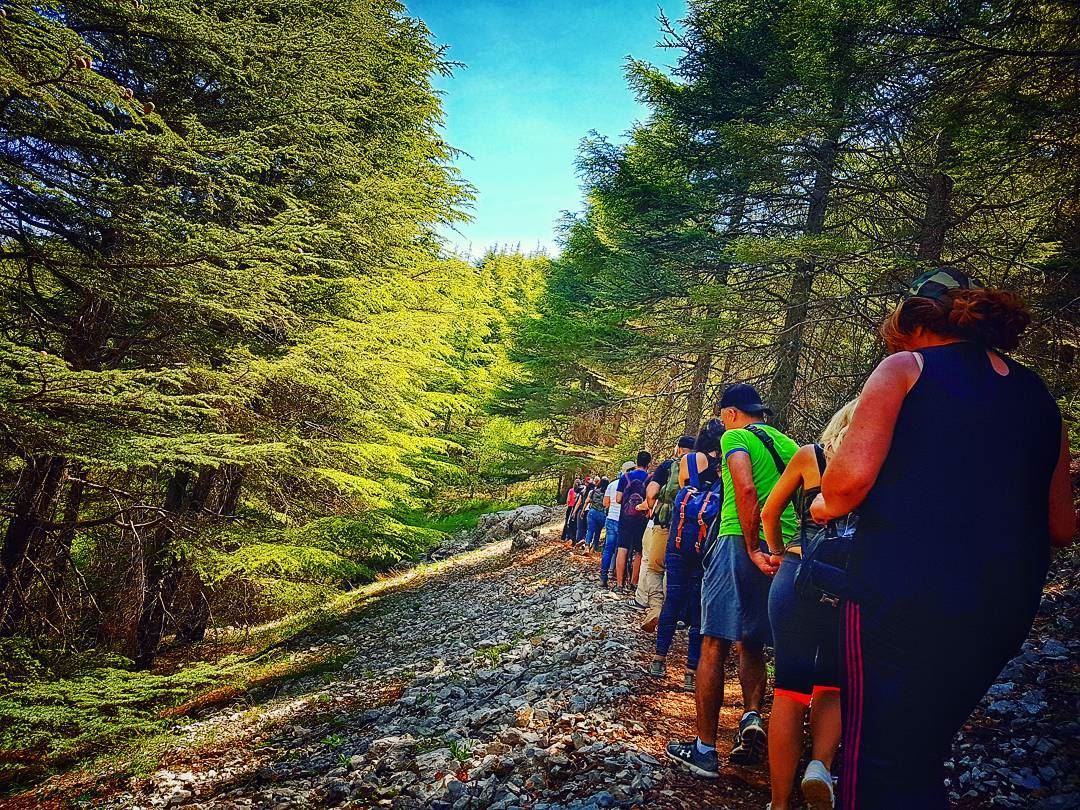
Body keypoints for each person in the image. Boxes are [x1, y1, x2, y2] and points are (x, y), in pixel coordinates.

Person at [809, 268, 1076, 809]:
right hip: (1003, 604)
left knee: (876, 754)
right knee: (924, 748)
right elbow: (1062, 526)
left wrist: (820, 503)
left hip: (901, 593)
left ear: (914, 322)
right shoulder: (1039, 396)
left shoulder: (905, 368)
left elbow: (846, 484)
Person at [667, 383, 799, 777]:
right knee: (753, 640)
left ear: (729, 414)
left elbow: (743, 487)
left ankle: (705, 749)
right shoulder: (790, 446)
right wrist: (775, 545)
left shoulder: (735, 437)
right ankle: (751, 716)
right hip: (785, 548)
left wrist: (751, 543)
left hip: (738, 541)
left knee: (714, 640)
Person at [760, 399, 859, 810]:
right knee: (832, 683)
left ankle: (779, 803)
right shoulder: (881, 466)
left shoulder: (810, 457)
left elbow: (769, 512)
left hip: (798, 575)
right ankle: (819, 764)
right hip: (849, 582)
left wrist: (779, 550)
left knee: (788, 688)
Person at [649, 420, 724, 691]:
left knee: (673, 599)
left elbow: (681, 490)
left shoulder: (689, 460)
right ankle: (692, 671)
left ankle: (659, 659)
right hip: (707, 546)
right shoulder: (725, 466)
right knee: (698, 607)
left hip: (679, 541)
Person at [635, 435, 697, 631]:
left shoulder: (668, 465)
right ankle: (680, 615)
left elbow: (652, 492)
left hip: (665, 523)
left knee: (655, 566)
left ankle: (656, 608)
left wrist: (654, 510)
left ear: (678, 449)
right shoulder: (703, 465)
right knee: (682, 570)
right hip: (692, 526)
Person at [614, 451, 652, 591]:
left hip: (625, 518)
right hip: (641, 519)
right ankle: (634, 583)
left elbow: (618, 499)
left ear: (636, 462)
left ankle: (619, 584)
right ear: (649, 464)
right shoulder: (650, 478)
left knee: (622, 549)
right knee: (639, 551)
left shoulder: (625, 477)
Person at [600, 462, 634, 587]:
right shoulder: (631, 485)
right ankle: (621, 577)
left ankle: (603, 576)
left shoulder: (612, 484)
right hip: (625, 520)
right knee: (623, 549)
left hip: (611, 518)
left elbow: (605, 503)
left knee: (608, 548)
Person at [582, 477, 609, 553]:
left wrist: (583, 510)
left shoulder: (593, 491)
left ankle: (587, 547)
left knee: (590, 530)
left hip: (592, 512)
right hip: (602, 513)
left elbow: (587, 501)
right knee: (598, 531)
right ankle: (593, 548)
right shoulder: (607, 493)